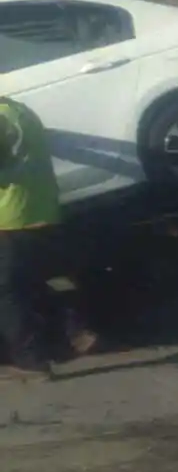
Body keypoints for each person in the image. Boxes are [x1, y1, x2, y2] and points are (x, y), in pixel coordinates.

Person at [0, 95, 95, 379]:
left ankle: (31, 359)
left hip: (10, 217)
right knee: (30, 282)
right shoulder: (18, 110)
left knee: (6, 291)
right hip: (42, 210)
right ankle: (74, 328)